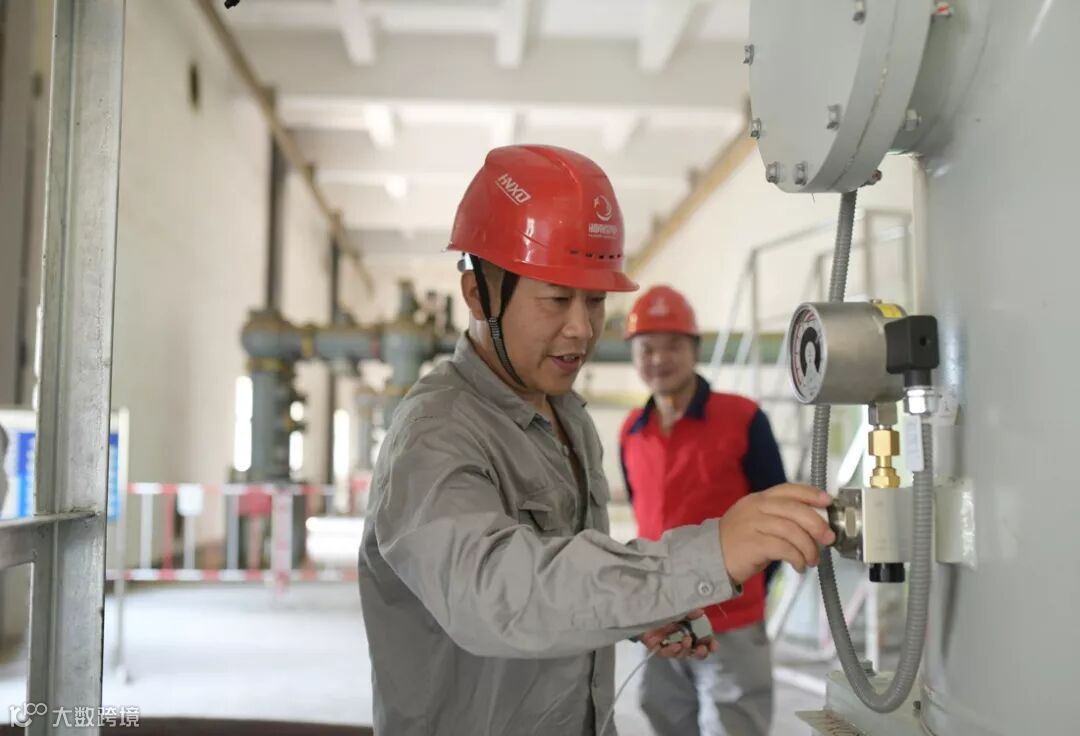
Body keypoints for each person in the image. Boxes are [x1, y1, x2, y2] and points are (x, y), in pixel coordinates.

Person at [357, 144, 833, 736]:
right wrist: (708, 554)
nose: (581, 329)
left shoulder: (568, 417)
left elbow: (564, 570)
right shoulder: (436, 434)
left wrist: (634, 611)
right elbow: (494, 595)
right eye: (557, 299)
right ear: (479, 295)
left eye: (596, 300)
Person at [620, 285, 787, 736]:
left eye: (673, 345)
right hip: (660, 615)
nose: (659, 358)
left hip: (731, 616)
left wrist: (748, 584)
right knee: (665, 718)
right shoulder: (631, 431)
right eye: (646, 348)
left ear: (694, 349)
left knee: (733, 727)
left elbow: (776, 512)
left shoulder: (743, 418)